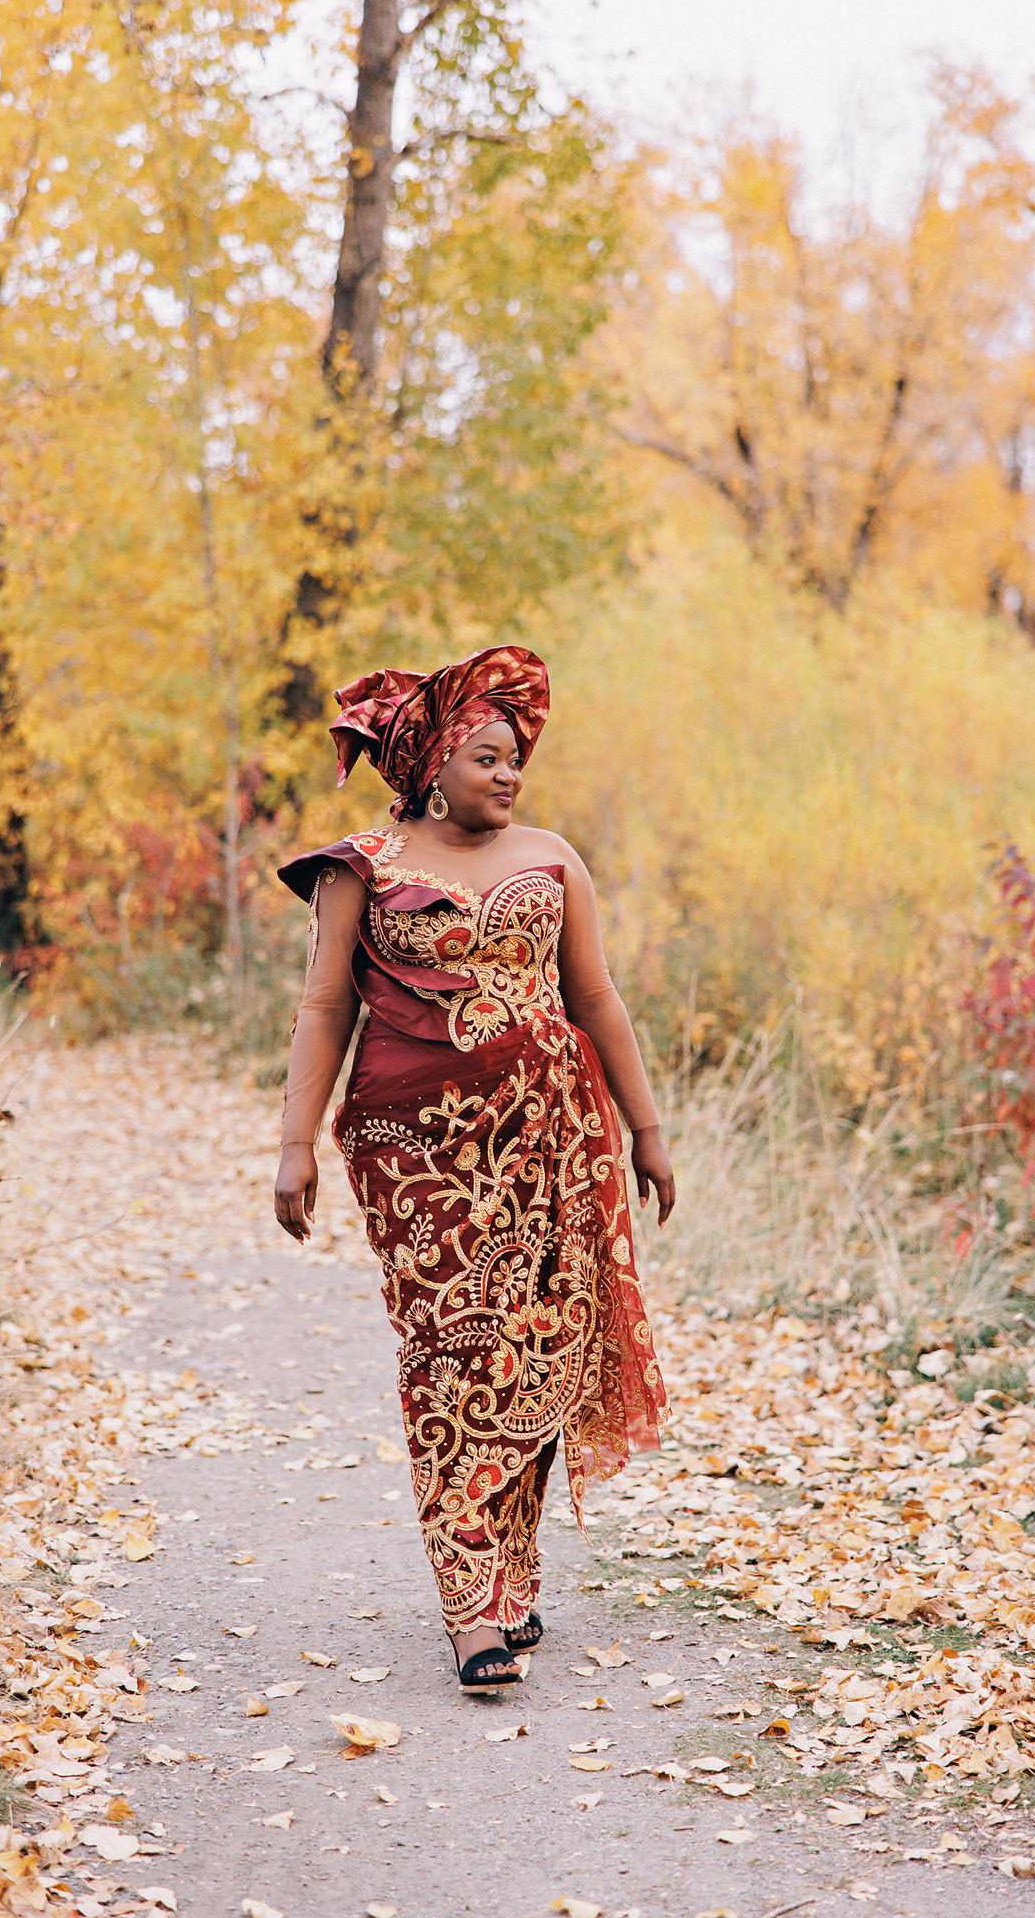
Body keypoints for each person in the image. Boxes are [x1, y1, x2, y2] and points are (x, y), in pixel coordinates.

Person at [273, 643, 672, 1694]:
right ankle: (466, 1604)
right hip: (416, 1153)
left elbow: (597, 1000)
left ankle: (512, 1567)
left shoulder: (553, 856)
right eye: (489, 756)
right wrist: (292, 1143)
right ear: (435, 762)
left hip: (553, 1138)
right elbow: (325, 1006)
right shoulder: (359, 866)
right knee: (451, 1351)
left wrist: (647, 1127)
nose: (509, 774)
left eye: (516, 760)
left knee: (538, 1343)